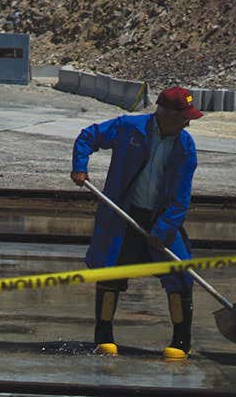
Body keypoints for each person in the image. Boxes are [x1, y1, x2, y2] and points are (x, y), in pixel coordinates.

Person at [70, 86, 202, 360]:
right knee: (111, 273)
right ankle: (104, 337)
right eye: (184, 116)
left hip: (161, 219)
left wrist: (164, 230)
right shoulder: (129, 128)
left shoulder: (185, 147)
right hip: (122, 214)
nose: (188, 122)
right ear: (163, 113)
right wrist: (80, 167)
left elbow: (180, 198)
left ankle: (181, 341)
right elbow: (88, 136)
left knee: (179, 276)